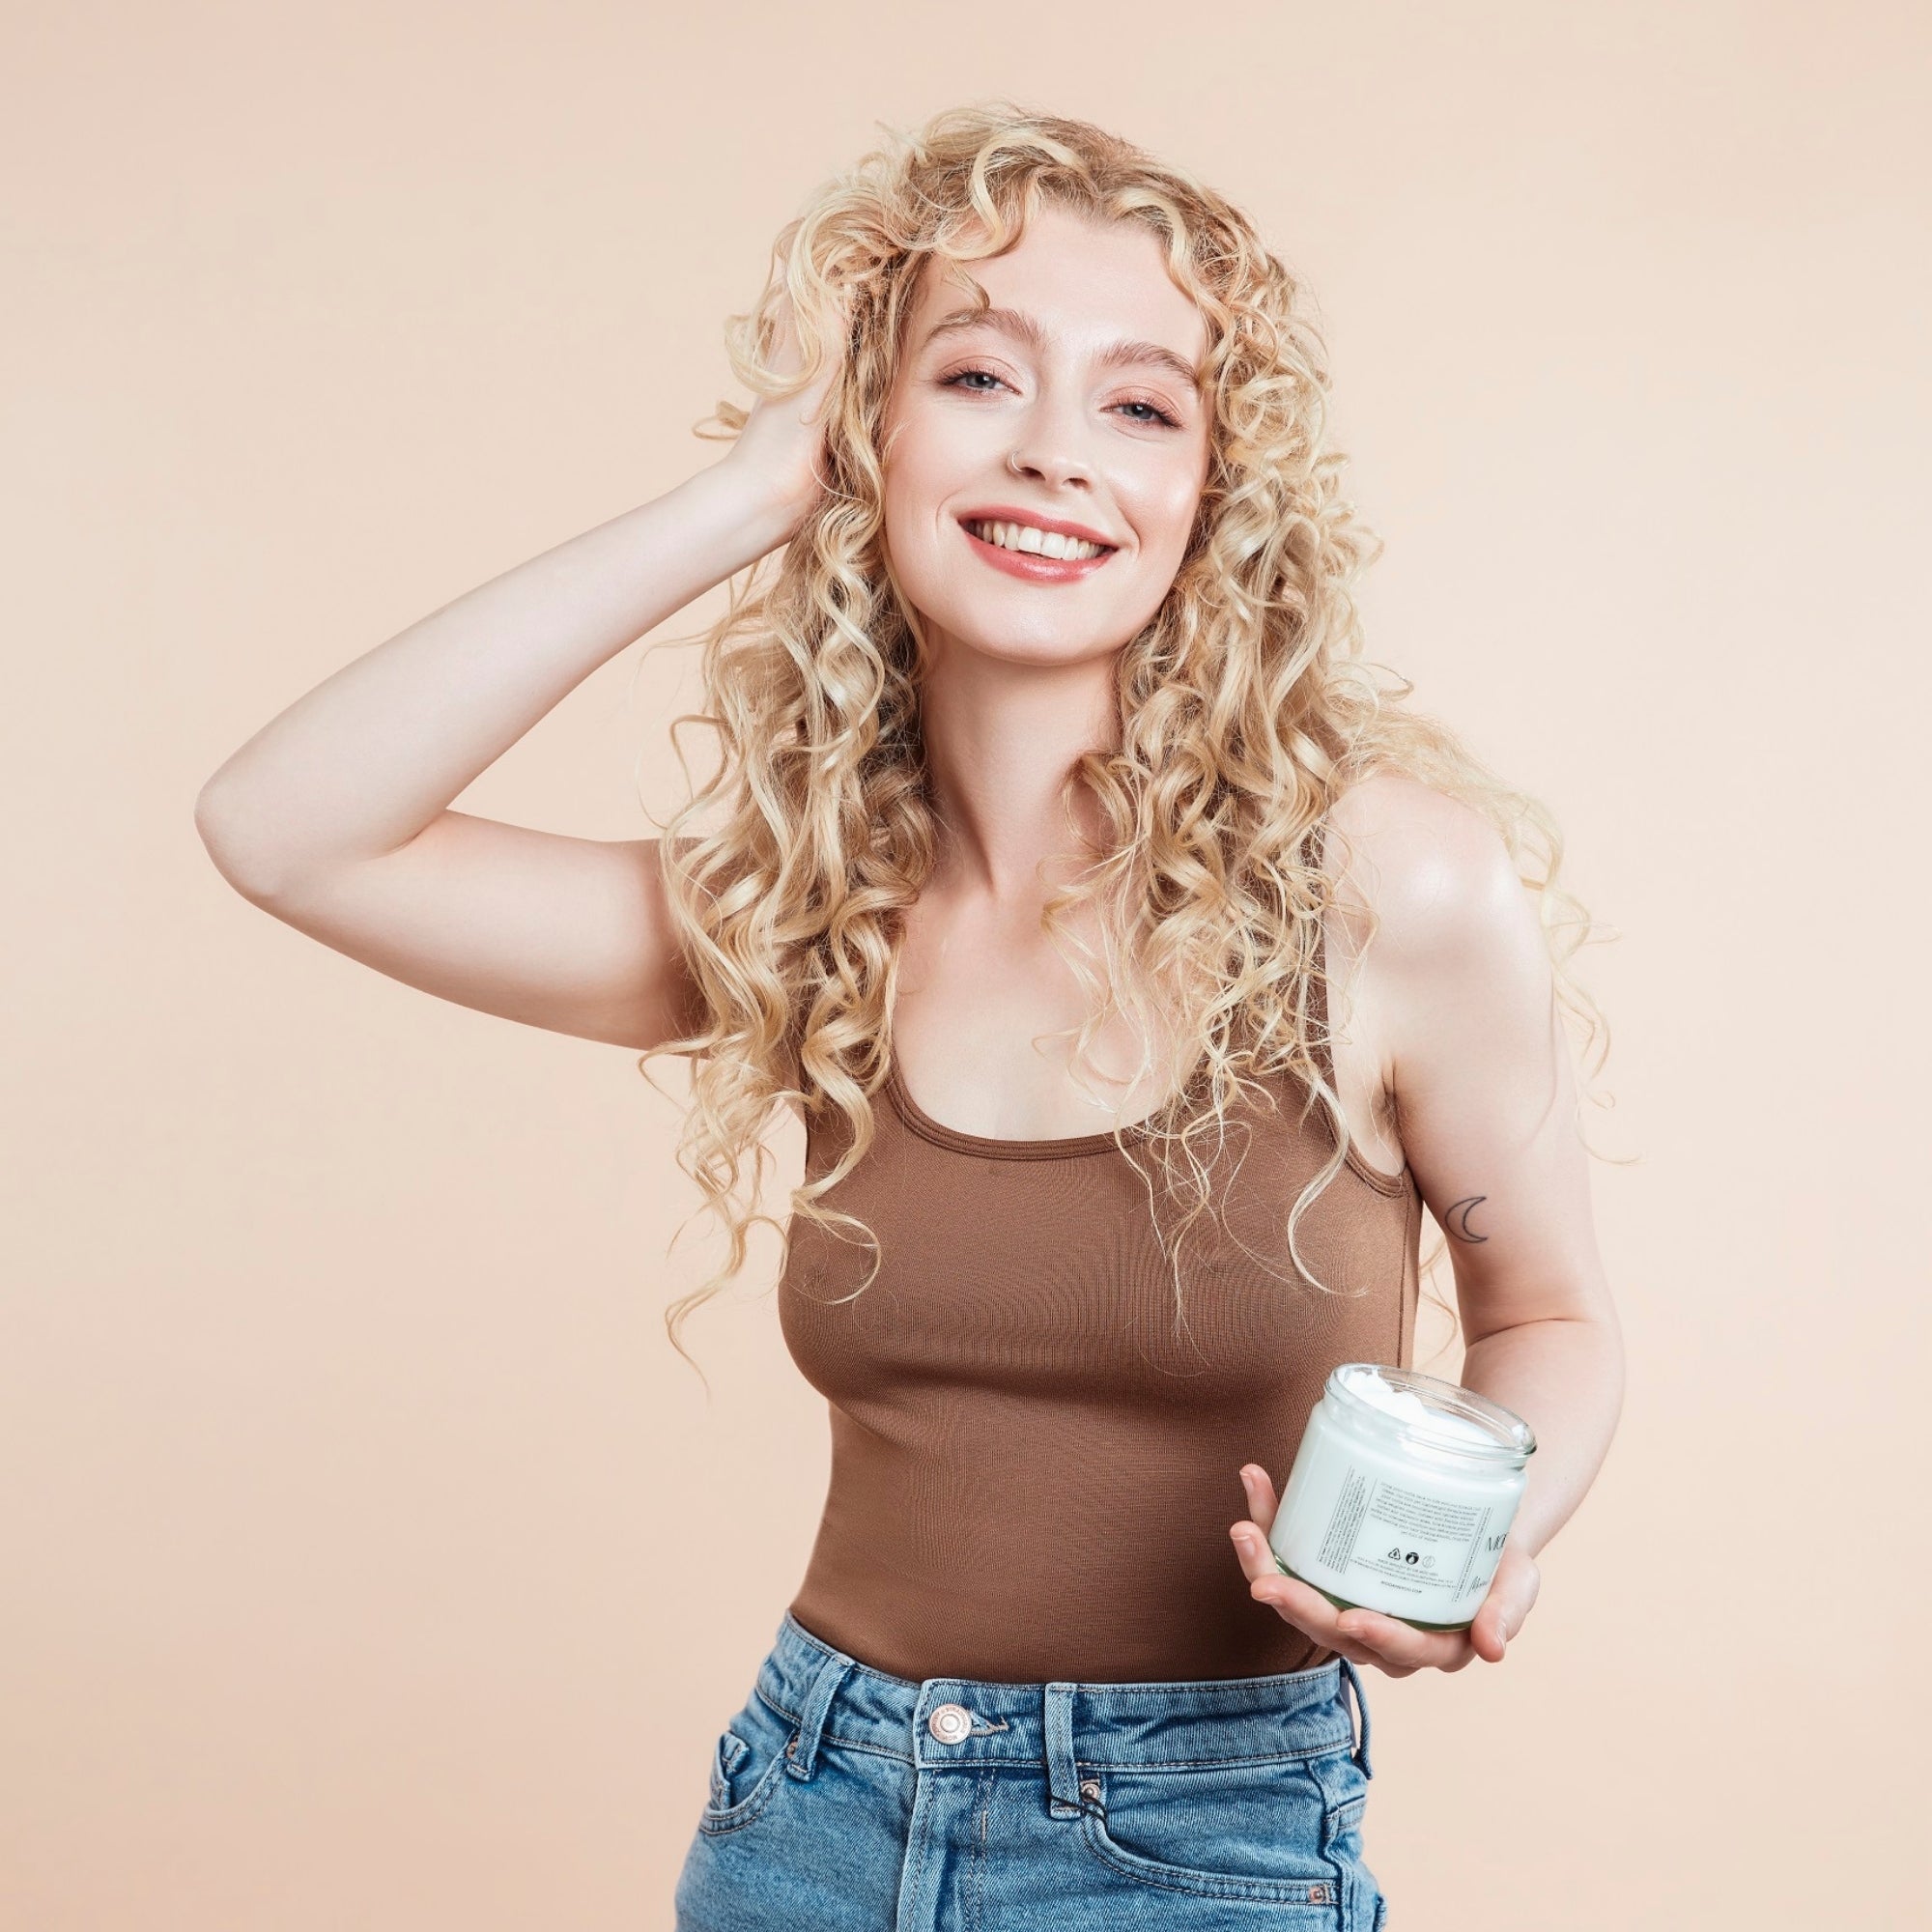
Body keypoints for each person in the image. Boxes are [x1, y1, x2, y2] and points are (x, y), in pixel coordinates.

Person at [195, 100, 1625, 1931]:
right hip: (812, 1802)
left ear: (1213, 494)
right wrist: (738, 496)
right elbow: (285, 827)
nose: (1054, 456)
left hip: (1201, 1836)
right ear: (869, 431)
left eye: (1139, 405)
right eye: (974, 376)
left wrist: (1483, 1544)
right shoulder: (809, 913)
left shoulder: (1384, 893)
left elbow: (1554, 1312)